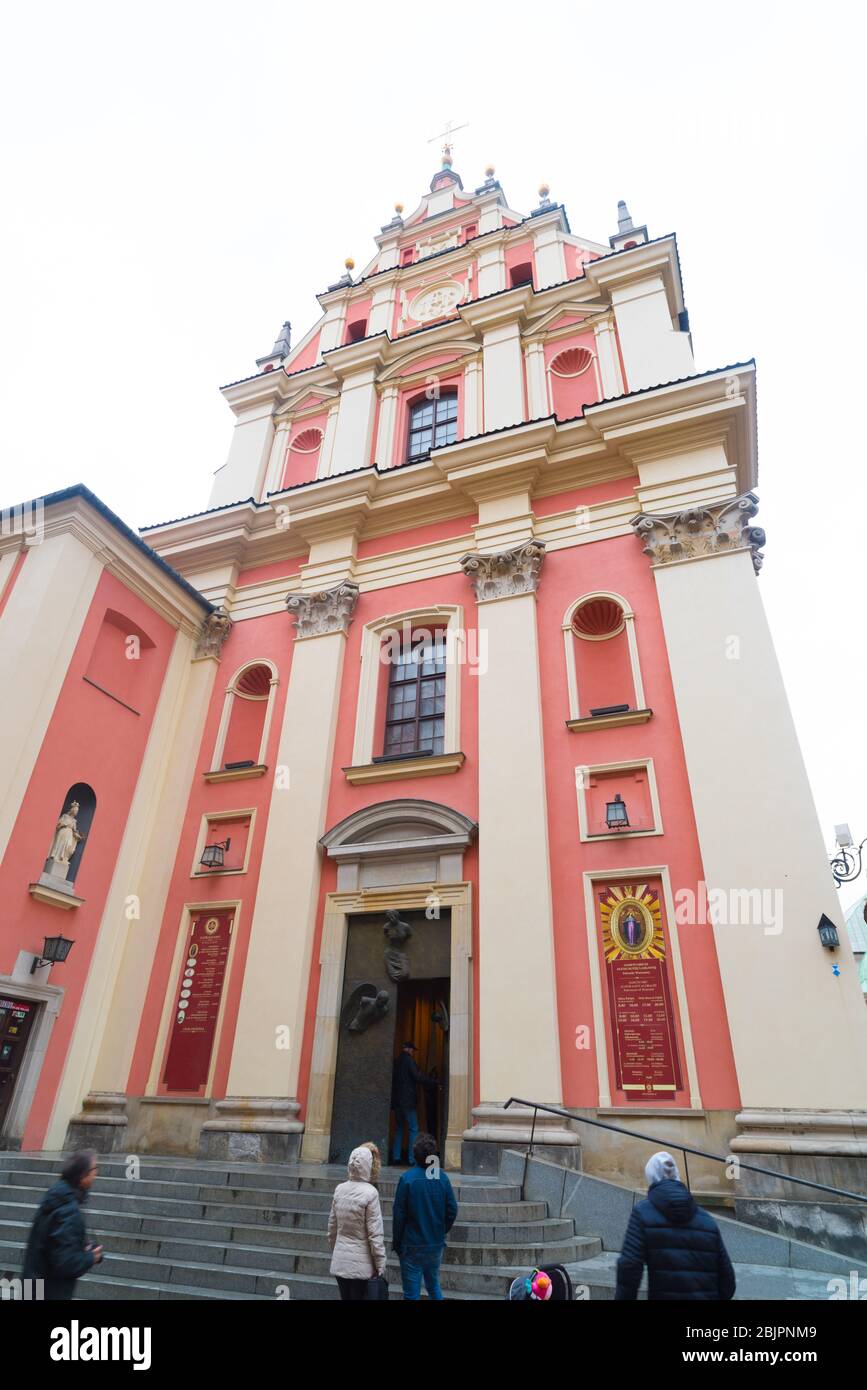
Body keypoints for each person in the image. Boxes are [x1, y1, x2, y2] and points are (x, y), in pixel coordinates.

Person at [615, 1152, 736, 1301]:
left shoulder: (642, 1214)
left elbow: (629, 1267)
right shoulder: (707, 1221)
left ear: (651, 1177)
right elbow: (728, 1281)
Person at [22, 1150, 103, 1299]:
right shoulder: (68, 1211)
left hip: (32, 1283)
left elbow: (48, 1243)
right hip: (50, 1291)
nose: (96, 1174)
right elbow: (66, 1264)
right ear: (82, 1176)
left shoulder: (54, 1197)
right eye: (94, 1169)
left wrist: (78, 1245)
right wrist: (91, 1257)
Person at [392, 1132, 457, 1301]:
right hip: (435, 1243)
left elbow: (399, 1214)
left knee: (411, 1294)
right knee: (434, 1287)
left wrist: (397, 1242)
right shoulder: (442, 1178)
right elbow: (452, 1209)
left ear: (415, 1154)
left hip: (412, 1243)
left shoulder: (407, 1179)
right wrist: (442, 1229)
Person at [327, 1145, 387, 1300]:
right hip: (362, 1264)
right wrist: (380, 1264)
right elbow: (375, 1234)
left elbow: (332, 1229)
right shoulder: (371, 1193)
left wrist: (338, 1251)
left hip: (340, 1261)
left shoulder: (339, 1189)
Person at [391, 1041, 436, 1165]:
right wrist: (432, 1082)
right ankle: (412, 1159)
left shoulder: (396, 1061)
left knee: (399, 1128)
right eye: (412, 1050)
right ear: (409, 1049)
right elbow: (417, 1076)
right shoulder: (408, 1060)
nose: (412, 1052)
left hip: (397, 1101)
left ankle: (396, 1157)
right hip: (408, 1101)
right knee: (413, 1128)